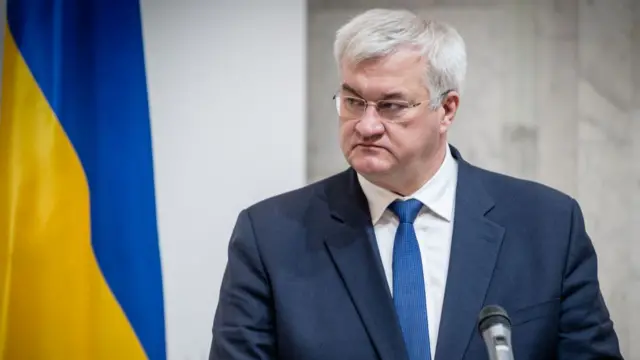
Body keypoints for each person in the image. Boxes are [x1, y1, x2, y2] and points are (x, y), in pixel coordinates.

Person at [209, 8, 623, 360]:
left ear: (447, 110)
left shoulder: (547, 225)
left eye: (392, 106)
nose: (366, 125)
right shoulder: (270, 235)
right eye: (353, 101)